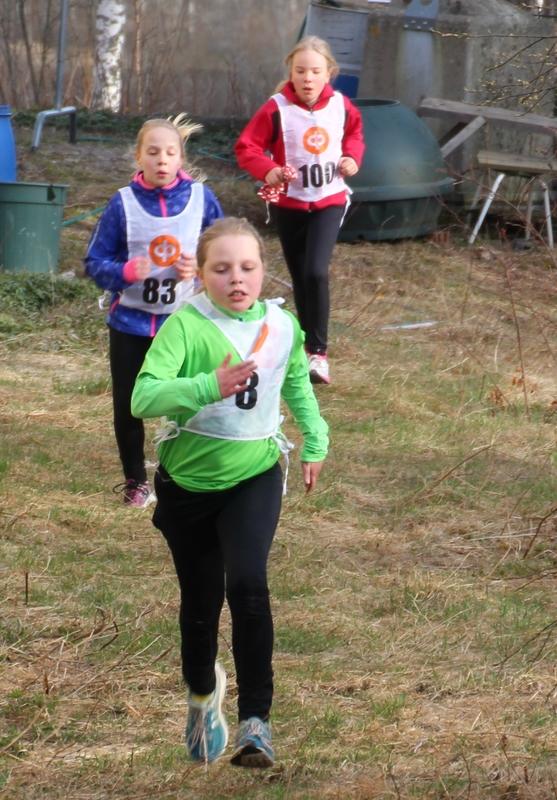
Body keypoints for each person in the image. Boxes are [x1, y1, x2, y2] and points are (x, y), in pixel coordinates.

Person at [131, 217, 328, 767]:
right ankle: (202, 697)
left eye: (247, 267)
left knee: (248, 584)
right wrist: (206, 386)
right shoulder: (185, 325)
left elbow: (295, 383)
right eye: (221, 269)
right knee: (201, 603)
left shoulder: (283, 325)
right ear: (201, 273)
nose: (236, 278)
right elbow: (142, 399)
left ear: (263, 271)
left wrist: (315, 440)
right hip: (187, 485)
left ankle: (255, 724)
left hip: (254, 473)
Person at [85, 115, 223, 507]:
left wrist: (199, 267)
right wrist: (124, 272)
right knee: (130, 403)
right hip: (129, 323)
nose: (162, 159)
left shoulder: (202, 199)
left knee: (190, 398)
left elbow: (228, 251)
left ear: (181, 158)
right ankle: (135, 481)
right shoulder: (122, 204)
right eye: (153, 152)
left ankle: (185, 475)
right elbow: (94, 262)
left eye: (170, 152)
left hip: (184, 322)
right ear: (138, 157)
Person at [235, 35, 365, 386]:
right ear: (291, 73)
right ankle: (306, 348)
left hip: (329, 200)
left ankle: (319, 353)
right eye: (301, 71)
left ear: (329, 73)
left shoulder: (340, 105)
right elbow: (247, 147)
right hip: (289, 204)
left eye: (315, 71)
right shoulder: (276, 108)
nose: (308, 78)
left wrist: (352, 158)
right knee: (300, 276)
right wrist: (269, 170)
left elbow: (354, 133)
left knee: (316, 271)